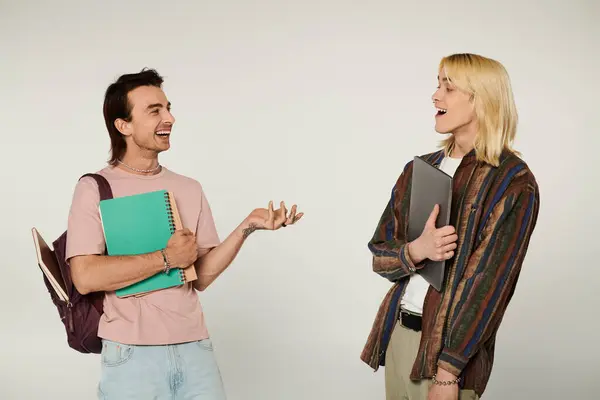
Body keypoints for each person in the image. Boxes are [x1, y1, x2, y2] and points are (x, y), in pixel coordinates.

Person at [65, 68, 303, 399]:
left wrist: (247, 226)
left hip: (195, 350)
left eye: (168, 108)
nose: (170, 118)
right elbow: (85, 277)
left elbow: (200, 277)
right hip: (131, 356)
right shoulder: (93, 188)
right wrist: (166, 258)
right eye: (155, 111)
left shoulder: (189, 188)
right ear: (124, 126)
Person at [360, 53, 540, 400]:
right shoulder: (420, 169)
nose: (435, 95)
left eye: (449, 86)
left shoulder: (513, 182)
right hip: (399, 337)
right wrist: (417, 250)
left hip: (445, 360)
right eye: (437, 84)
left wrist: (447, 375)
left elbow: (488, 289)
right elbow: (380, 256)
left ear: (482, 99)